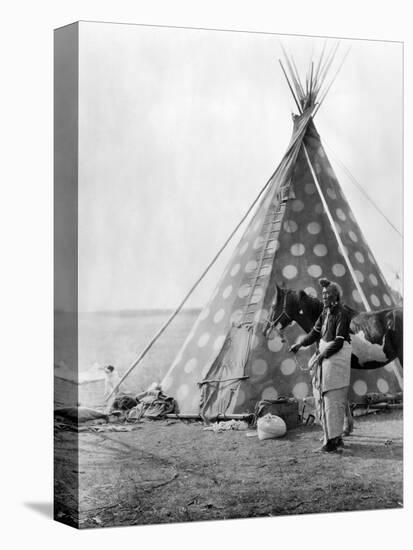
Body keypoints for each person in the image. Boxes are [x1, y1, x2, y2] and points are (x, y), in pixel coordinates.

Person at [289, 278, 352, 452]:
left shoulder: (342, 313)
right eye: (323, 295)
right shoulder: (325, 312)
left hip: (336, 358)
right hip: (326, 356)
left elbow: (339, 341)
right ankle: (332, 437)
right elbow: (315, 333)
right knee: (321, 397)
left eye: (327, 295)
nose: (324, 297)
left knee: (332, 399)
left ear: (336, 296)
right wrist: (300, 345)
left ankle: (333, 441)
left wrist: (323, 355)